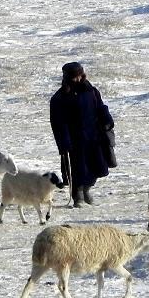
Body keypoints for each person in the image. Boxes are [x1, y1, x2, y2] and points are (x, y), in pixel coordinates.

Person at [49, 62, 115, 207]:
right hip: (74, 140)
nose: (78, 80)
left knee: (97, 166)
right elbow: (58, 123)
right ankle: (77, 196)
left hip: (94, 136)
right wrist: (64, 141)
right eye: (74, 77)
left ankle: (87, 190)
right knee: (78, 169)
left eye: (79, 76)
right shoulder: (60, 98)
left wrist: (107, 119)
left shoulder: (91, 91)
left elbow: (100, 107)